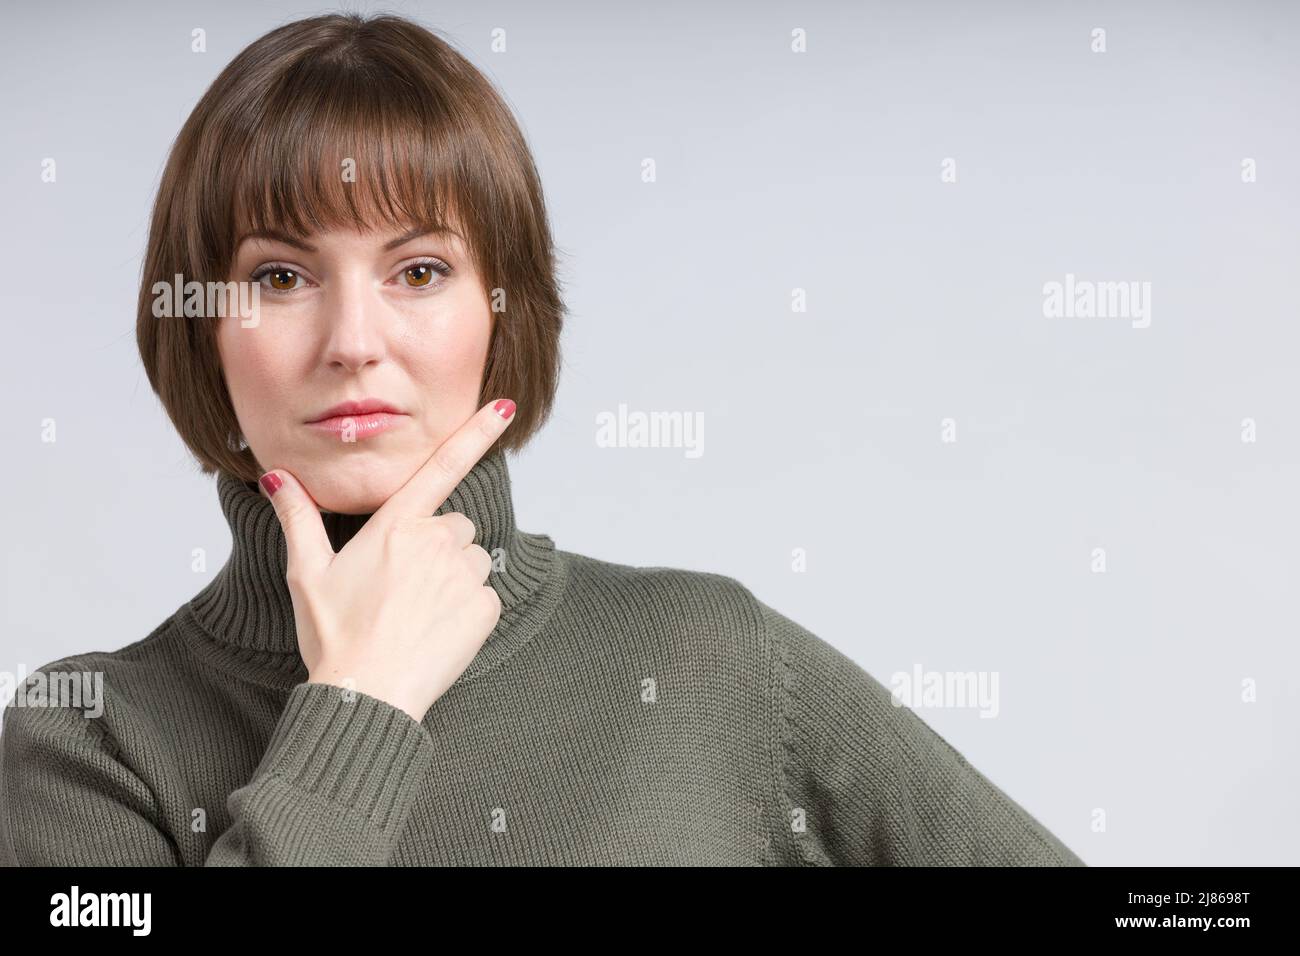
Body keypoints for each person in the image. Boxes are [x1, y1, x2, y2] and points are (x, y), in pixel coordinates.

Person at [0, 12, 1084, 866]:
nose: (352, 341)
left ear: (500, 312)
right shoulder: (87, 739)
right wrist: (357, 709)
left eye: (418, 270)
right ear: (197, 325)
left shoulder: (708, 656)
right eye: (280, 276)